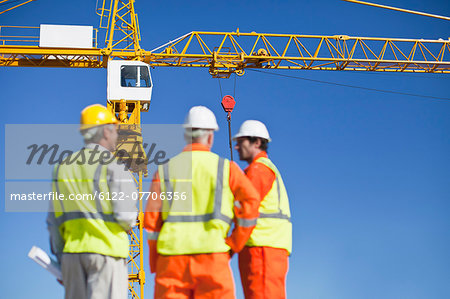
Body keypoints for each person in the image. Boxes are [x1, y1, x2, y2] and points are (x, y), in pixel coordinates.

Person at [144, 106, 260, 299]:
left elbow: (152, 223)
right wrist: (234, 244)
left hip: (172, 259)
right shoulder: (226, 168)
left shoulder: (164, 171)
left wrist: (156, 261)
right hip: (213, 257)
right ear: (210, 136)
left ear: (186, 134)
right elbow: (251, 203)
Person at [47, 104, 137, 299]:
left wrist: (62, 259)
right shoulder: (114, 167)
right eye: (115, 130)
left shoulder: (62, 168)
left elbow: (54, 221)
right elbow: (127, 217)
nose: (117, 136)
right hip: (107, 254)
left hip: (72, 256)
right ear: (105, 131)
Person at [233, 120, 292, 299]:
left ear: (256, 142)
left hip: (262, 249)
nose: (236, 147)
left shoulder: (259, 170)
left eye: (241, 142)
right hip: (264, 249)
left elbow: (246, 209)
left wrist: (231, 244)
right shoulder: (259, 170)